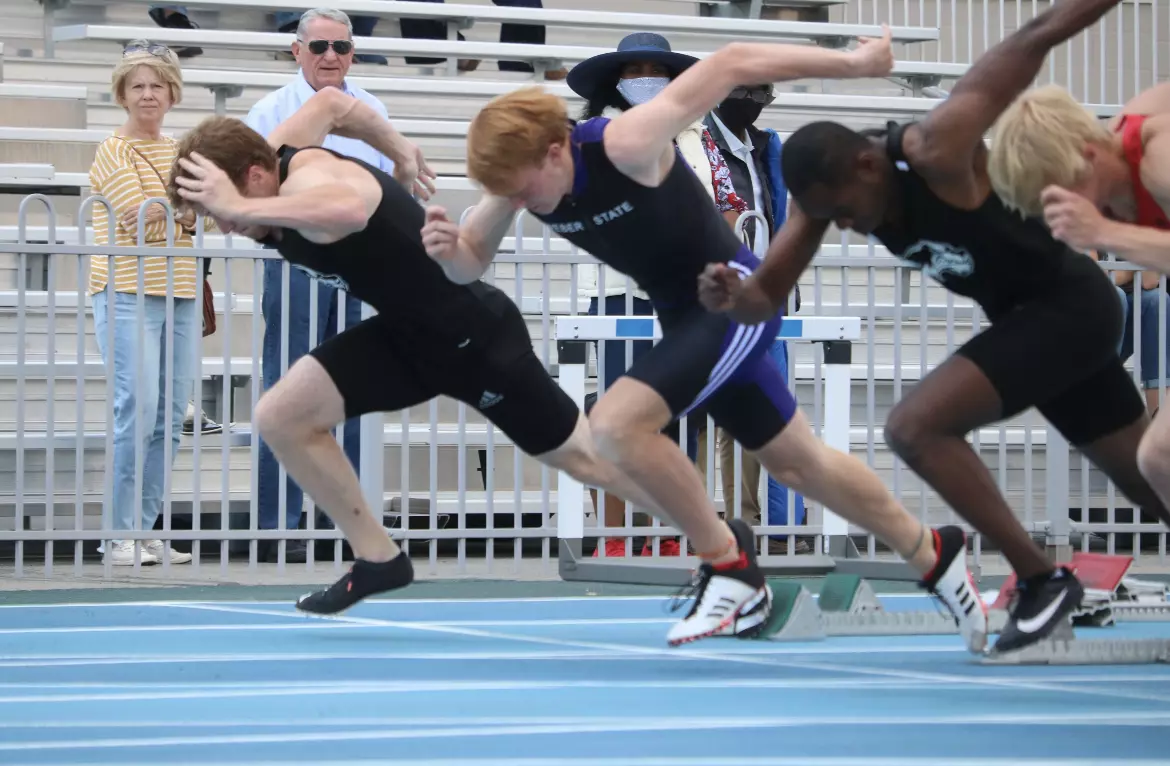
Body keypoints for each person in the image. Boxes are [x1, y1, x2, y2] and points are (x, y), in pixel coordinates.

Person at [423, 30, 991, 652]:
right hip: (686, 318)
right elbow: (469, 264)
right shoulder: (517, 181)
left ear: (555, 150)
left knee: (614, 425)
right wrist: (451, 252)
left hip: (735, 301)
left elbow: (732, 61)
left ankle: (729, 566)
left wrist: (856, 63)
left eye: (522, 189)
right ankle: (935, 555)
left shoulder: (626, 142)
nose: (517, 201)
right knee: (798, 463)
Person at [697, 0, 1170, 653]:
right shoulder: (821, 203)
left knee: (914, 427)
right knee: (1149, 481)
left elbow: (1035, 36)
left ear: (868, 165)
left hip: (1069, 306)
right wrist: (730, 296)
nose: (846, 227)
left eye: (846, 212)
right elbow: (764, 300)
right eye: (831, 219)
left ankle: (1041, 581)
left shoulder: (937, 147)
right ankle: (1044, 579)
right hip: (1037, 323)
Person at [166, 86, 669, 624]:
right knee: (280, 417)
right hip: (406, 337)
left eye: (220, 209)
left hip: (475, 339)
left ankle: (714, 537)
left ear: (253, 175)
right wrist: (400, 150)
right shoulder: (275, 151)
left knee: (587, 461)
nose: (225, 225)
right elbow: (332, 103)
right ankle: (379, 559)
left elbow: (348, 209)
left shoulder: (309, 174)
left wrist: (240, 206)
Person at [246, 8, 395, 563]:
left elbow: (389, 189)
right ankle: (276, 528)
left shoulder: (372, 109)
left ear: (353, 52)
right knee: (287, 386)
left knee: (353, 390)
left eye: (342, 47)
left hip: (361, 264)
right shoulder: (269, 111)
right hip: (295, 260)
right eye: (319, 47)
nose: (331, 56)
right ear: (297, 51)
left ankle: (348, 527)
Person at [987, 81, 1170, 510]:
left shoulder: (1158, 157)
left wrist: (1106, 232)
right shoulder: (1113, 160)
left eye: (1066, 197)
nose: (1068, 217)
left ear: (1089, 157)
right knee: (1158, 458)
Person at [90, 40, 198, 567]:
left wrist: (174, 211)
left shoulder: (182, 150)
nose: (148, 94)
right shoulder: (113, 149)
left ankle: (145, 529)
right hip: (127, 290)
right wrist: (182, 209)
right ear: (122, 95)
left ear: (172, 94)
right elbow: (137, 218)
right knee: (137, 409)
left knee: (170, 416)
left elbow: (206, 214)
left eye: (157, 85)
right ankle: (118, 535)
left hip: (180, 292)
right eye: (138, 86)